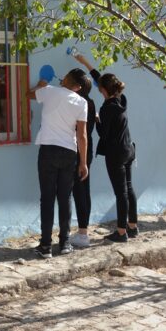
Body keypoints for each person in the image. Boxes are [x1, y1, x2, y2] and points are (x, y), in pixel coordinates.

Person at [74, 54, 138, 242]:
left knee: (121, 193)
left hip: (116, 154)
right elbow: (101, 80)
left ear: (103, 90)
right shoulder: (121, 99)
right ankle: (132, 226)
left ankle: (121, 232)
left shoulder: (106, 109)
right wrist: (86, 63)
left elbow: (104, 133)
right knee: (129, 188)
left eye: (99, 87)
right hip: (129, 149)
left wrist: (96, 120)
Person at [29, 69, 89, 259]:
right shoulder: (82, 102)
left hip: (48, 149)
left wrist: (40, 85)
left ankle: (45, 246)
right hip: (69, 153)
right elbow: (82, 135)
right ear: (78, 87)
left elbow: (28, 95)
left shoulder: (49, 90)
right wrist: (83, 162)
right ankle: (64, 243)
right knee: (65, 198)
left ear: (67, 80)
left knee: (47, 198)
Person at [69, 74, 97, 248]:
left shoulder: (80, 104)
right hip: (86, 149)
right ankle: (83, 230)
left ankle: (82, 233)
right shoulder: (90, 103)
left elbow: (80, 132)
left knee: (79, 191)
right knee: (84, 190)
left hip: (80, 149)